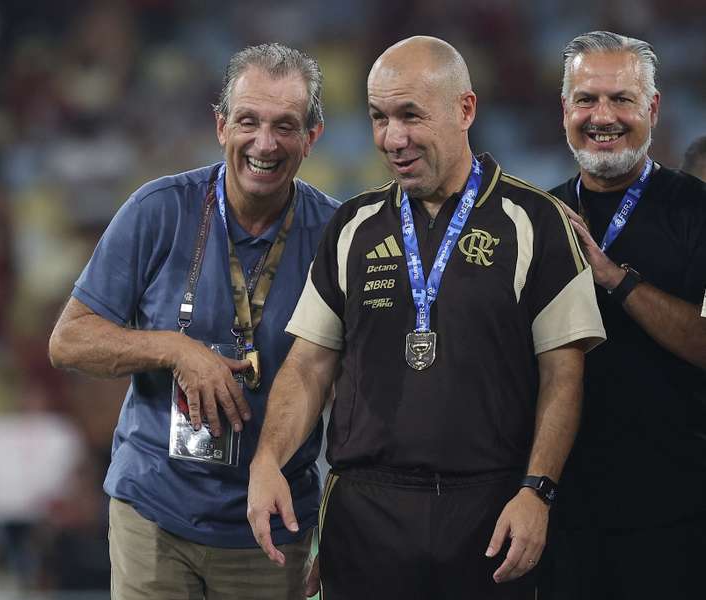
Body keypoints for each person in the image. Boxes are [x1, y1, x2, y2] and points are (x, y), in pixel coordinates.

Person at [246, 36, 606, 600]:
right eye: (379, 117)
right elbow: (310, 365)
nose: (394, 138)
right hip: (365, 514)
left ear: (465, 109)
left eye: (410, 115)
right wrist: (268, 460)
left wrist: (537, 491)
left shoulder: (536, 221)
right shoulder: (352, 226)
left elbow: (564, 377)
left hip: (490, 514)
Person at [48, 43, 339, 600]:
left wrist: (340, 526)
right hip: (154, 513)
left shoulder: (334, 236)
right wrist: (174, 349)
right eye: (248, 122)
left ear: (312, 137)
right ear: (221, 125)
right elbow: (68, 340)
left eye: (285, 126)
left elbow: (351, 392)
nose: (264, 143)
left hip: (273, 526)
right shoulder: (159, 210)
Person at [541, 31, 706, 600]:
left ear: (653, 108)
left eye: (622, 99)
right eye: (586, 100)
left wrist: (614, 277)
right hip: (561, 512)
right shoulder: (535, 216)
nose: (601, 116)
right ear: (565, 110)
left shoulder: (697, 211)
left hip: (677, 518)